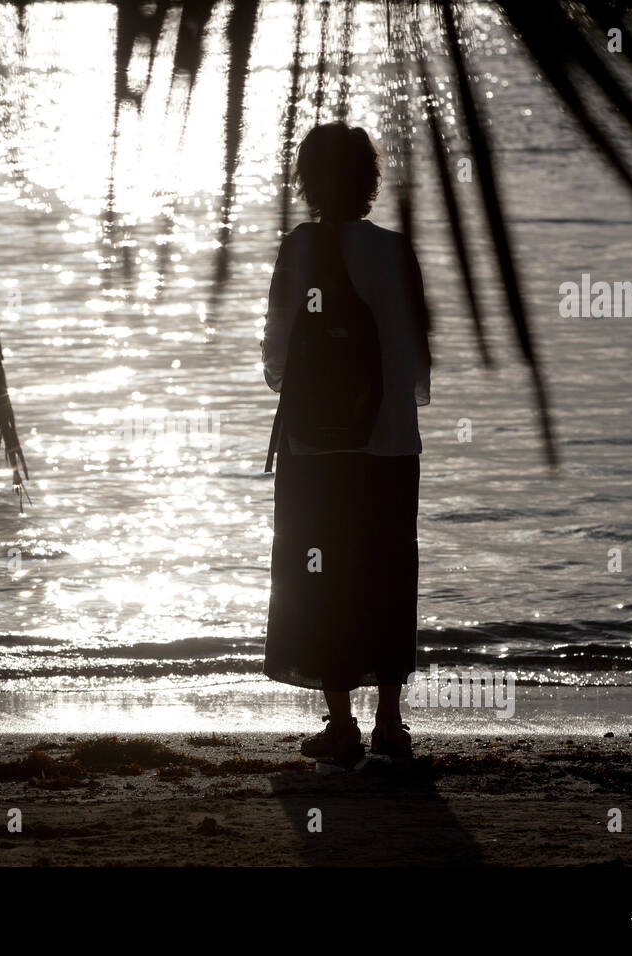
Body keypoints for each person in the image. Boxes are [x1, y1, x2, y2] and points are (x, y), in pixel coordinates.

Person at [261, 121, 431, 764]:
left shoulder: (301, 249)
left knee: (320, 574)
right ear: (370, 181)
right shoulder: (397, 251)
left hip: (316, 447)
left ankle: (340, 726)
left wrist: (295, 381)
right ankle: (389, 723)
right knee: (387, 572)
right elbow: (418, 365)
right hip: (389, 446)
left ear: (308, 182)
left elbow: (277, 352)